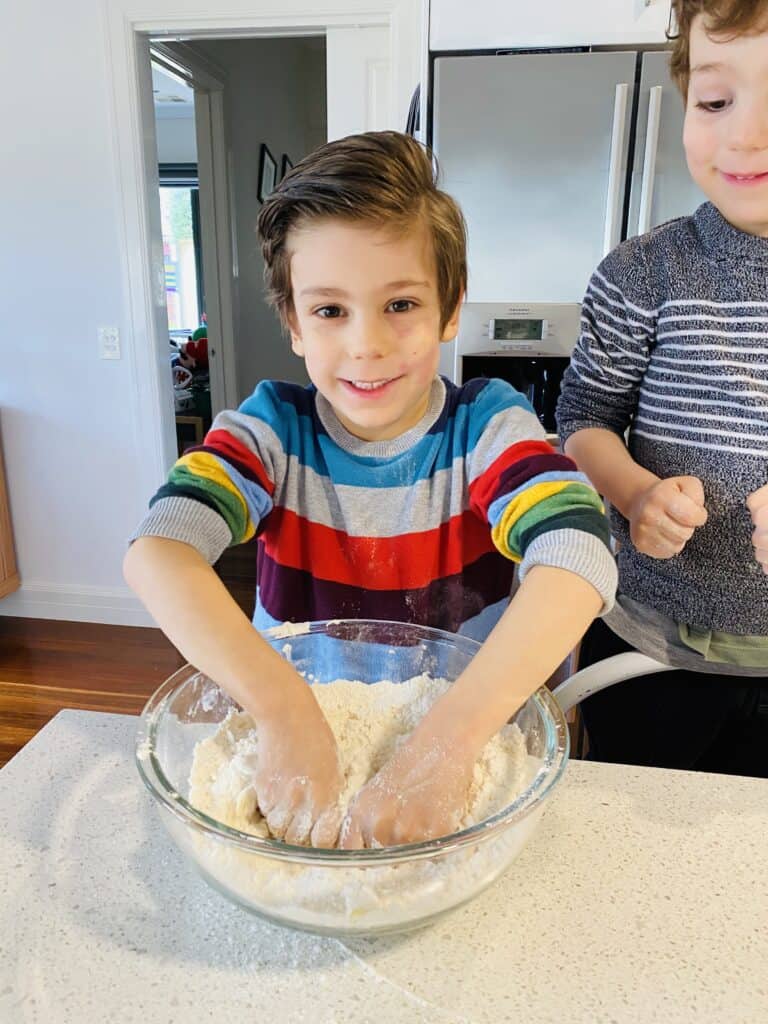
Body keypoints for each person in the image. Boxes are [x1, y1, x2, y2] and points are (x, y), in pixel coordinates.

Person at [124, 131, 616, 849]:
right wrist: (284, 709)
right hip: (289, 737)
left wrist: (442, 748)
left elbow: (577, 554)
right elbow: (157, 554)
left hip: (462, 736)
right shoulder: (272, 431)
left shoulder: (486, 427)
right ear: (293, 322)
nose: (366, 345)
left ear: (450, 311)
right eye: (330, 311)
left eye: (401, 305)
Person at [556, 0, 768, 777]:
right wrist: (637, 494)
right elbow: (581, 419)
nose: (744, 134)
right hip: (645, 640)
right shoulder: (643, 273)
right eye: (716, 102)